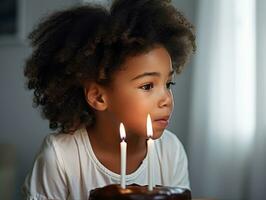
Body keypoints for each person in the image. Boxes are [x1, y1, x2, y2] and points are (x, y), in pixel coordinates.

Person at [22, 0, 196, 199]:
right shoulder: (61, 157)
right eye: (147, 86)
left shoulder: (171, 151)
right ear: (98, 96)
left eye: (168, 84)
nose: (166, 98)